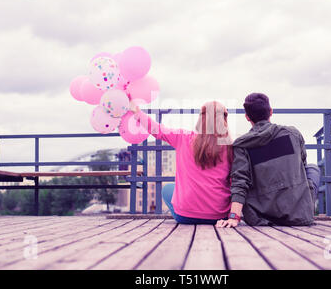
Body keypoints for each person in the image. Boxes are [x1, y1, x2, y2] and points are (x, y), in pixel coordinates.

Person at [217, 93, 320, 228]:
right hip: (299, 215)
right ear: (270, 112)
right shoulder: (293, 134)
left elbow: (239, 181)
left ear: (247, 117)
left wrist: (234, 217)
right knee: (312, 169)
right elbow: (301, 165)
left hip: (260, 216)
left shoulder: (242, 144)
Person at [130, 101, 233, 224]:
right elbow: (233, 183)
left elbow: (157, 129)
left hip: (186, 216)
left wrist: (137, 112)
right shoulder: (230, 147)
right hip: (219, 216)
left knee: (167, 189)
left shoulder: (183, 137)